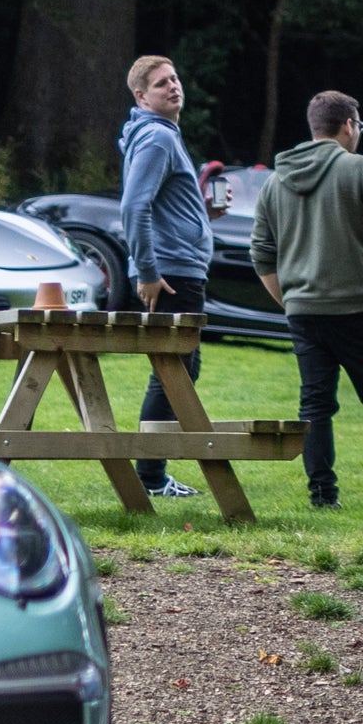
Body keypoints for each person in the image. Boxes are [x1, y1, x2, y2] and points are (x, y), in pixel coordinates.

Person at [250, 90, 363, 509]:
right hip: (358, 306)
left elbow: (261, 253)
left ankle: (323, 495)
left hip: (305, 312)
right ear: (348, 126)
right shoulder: (360, 170)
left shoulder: (275, 180)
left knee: (316, 403)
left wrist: (290, 301)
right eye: (358, 125)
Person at [114, 56, 209, 499]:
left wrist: (203, 216)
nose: (173, 87)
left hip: (175, 267)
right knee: (173, 371)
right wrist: (148, 271)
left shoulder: (160, 134)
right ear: (141, 96)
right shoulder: (156, 137)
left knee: (179, 369)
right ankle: (150, 476)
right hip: (170, 273)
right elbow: (134, 207)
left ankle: (152, 472)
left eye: (174, 78)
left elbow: (161, 205)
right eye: (160, 83)